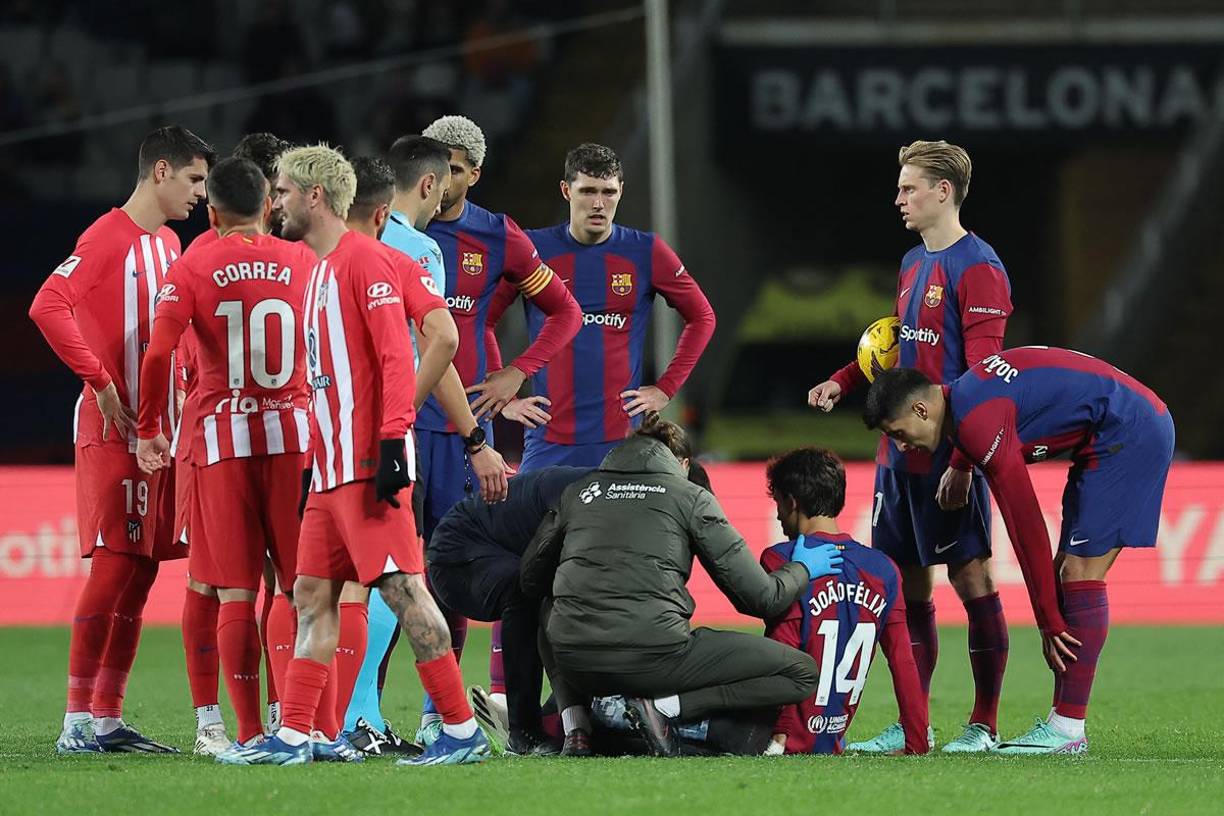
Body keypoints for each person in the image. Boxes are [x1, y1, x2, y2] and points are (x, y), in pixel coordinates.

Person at [217, 144, 488, 766]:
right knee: (311, 595)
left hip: (369, 465)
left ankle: (460, 728)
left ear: (314, 196)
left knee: (405, 593)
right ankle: (295, 736)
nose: (273, 201)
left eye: (281, 190)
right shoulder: (318, 268)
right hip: (331, 469)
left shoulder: (363, 263)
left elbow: (402, 353)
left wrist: (393, 438)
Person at [863, 347, 1175, 754]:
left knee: (1078, 573)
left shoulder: (977, 422)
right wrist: (960, 462)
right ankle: (1063, 724)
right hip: (1114, 427)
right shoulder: (964, 400)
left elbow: (1025, 523)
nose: (901, 447)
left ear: (922, 410)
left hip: (1128, 432)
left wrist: (1048, 623)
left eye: (899, 434)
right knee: (1068, 572)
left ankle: (1067, 729)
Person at [805, 140, 1013, 753]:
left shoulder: (979, 268)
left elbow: (984, 380)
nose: (898, 198)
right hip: (896, 463)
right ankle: (911, 725)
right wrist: (843, 380)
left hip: (949, 463)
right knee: (906, 590)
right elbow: (896, 352)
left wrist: (964, 463)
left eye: (909, 188)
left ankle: (984, 723)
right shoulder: (911, 262)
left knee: (973, 581)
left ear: (942, 192)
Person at [30, 125, 214, 755]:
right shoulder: (107, 237)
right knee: (113, 568)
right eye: (193, 179)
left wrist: (187, 381)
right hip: (114, 433)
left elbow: (175, 327)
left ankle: (106, 717)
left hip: (157, 435)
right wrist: (101, 382)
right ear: (159, 171)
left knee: (138, 577)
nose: (200, 194)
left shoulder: (168, 244)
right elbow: (48, 305)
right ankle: (76, 720)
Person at [520, 414, 842, 757]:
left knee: (548, 608)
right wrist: (803, 568)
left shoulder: (579, 492)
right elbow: (761, 599)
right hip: (656, 658)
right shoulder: (689, 496)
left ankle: (576, 727)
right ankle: (668, 709)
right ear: (682, 463)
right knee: (802, 672)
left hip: (576, 663)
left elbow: (529, 579)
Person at [133, 156, 315, 752]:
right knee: (294, 588)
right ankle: (295, 723)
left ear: (211, 213)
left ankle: (242, 734)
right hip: (293, 438)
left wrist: (150, 426)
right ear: (269, 207)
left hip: (220, 443)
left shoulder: (192, 265)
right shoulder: (304, 261)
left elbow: (158, 355)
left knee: (231, 590)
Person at [335, 156, 509, 757]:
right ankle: (358, 717)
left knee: (352, 582)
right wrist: (463, 435)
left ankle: (353, 717)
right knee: (382, 578)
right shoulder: (414, 250)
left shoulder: (355, 252)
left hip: (346, 438)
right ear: (429, 186)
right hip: (384, 437)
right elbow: (439, 344)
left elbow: (436, 343)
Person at [419, 114, 581, 743]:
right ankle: (362, 716)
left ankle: (439, 715)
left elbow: (563, 313)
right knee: (379, 568)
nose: (440, 179)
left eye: (454, 169)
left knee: (451, 570)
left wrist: (516, 373)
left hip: (465, 432)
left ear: (473, 174)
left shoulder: (499, 237)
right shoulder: (393, 229)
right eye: (434, 166)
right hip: (400, 421)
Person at [174, 131, 294, 755]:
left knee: (259, 584)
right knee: (212, 582)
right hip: (225, 435)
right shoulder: (206, 253)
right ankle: (211, 718)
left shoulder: (208, 255)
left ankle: (274, 715)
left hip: (228, 433)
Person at [488, 143, 716, 470]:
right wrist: (506, 401)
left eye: (608, 192)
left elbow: (702, 316)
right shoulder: (533, 249)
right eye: (588, 191)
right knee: (535, 523)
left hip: (623, 440)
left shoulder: (646, 251)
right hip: (548, 441)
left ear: (621, 191)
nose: (598, 203)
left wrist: (666, 389)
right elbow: (482, 319)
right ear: (566, 190)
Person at [760, 448, 929, 755]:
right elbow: (903, 661)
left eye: (778, 503)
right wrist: (916, 744)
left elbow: (781, 650)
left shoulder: (780, 559)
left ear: (791, 502)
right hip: (830, 740)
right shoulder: (883, 569)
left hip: (776, 737)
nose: (777, 514)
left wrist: (779, 733)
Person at [428, 465, 592, 755]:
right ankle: (523, 732)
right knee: (525, 593)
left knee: (542, 596)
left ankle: (559, 719)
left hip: (496, 549)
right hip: (460, 557)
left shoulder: (595, 490)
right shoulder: (579, 496)